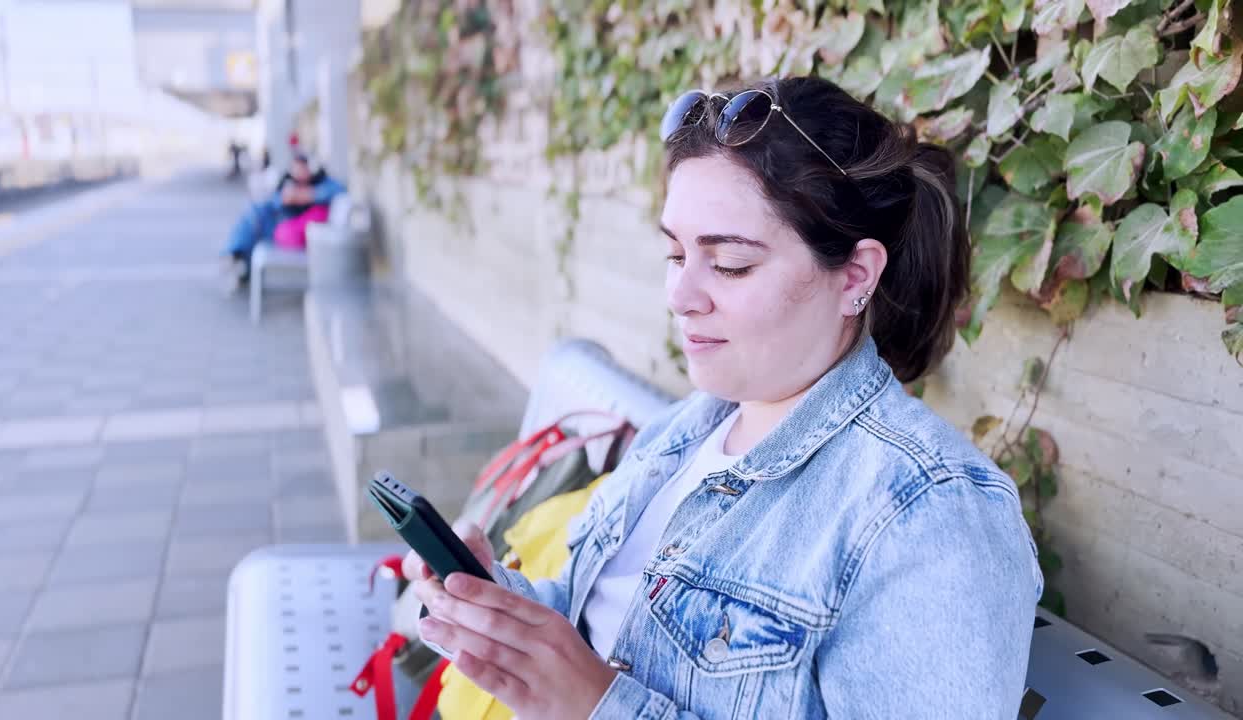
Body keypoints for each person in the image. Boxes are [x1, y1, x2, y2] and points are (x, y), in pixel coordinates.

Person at [403, 76, 1043, 719]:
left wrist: (596, 706)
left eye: (731, 264)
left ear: (855, 274)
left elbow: (593, 691)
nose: (681, 296)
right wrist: (496, 604)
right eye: (675, 254)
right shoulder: (683, 433)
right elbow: (596, 626)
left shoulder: (930, 516)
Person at [221, 153, 345, 291]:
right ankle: (236, 254)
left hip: (298, 231)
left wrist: (310, 195)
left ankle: (237, 256)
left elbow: (339, 190)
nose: (299, 173)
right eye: (296, 169)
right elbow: (273, 202)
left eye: (302, 168)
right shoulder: (288, 182)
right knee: (255, 214)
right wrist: (283, 199)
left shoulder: (321, 181)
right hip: (281, 224)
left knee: (255, 223)